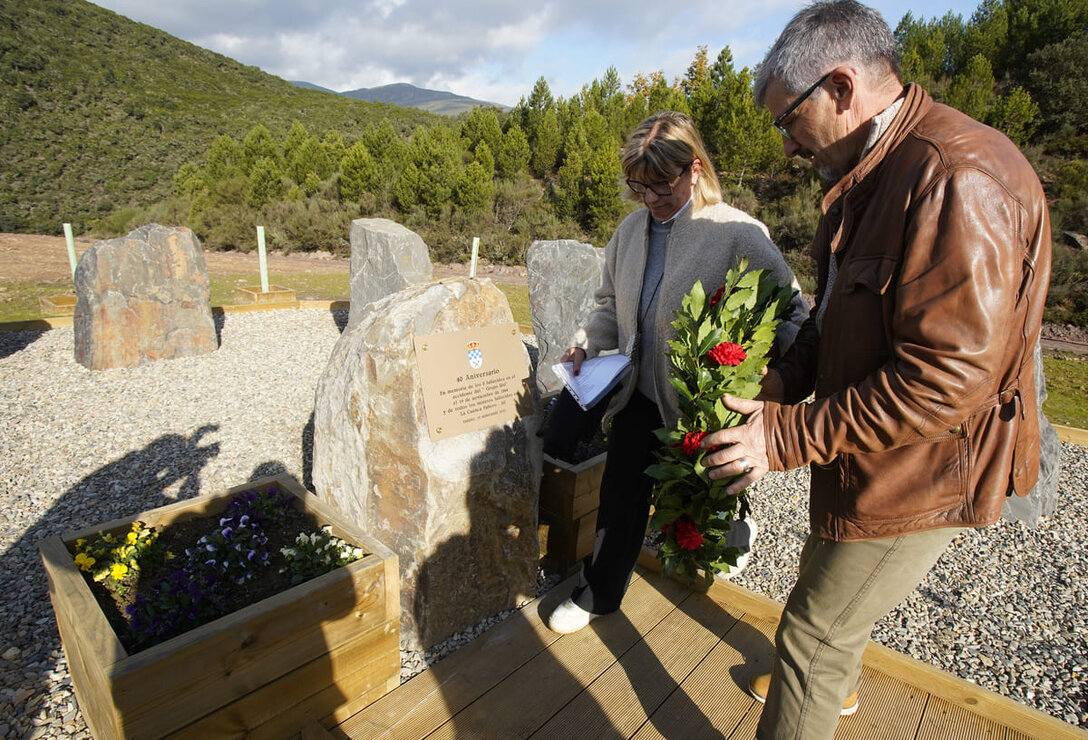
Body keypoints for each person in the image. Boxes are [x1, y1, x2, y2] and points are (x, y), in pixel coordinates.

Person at [697, 2, 1052, 738]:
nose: (788, 147)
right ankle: (844, 690)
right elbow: (831, 316)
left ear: (840, 87)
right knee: (828, 590)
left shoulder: (958, 177)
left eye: (788, 121)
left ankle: (828, 686)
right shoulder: (867, 172)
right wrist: (785, 383)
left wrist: (783, 438)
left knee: (812, 635)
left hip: (922, 465)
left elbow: (949, 382)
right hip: (871, 451)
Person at [545, 111, 809, 634]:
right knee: (621, 493)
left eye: (661, 184)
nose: (650, 198)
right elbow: (608, 305)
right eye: (638, 187)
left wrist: (761, 377)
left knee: (709, 490)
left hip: (702, 404)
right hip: (637, 393)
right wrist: (585, 348)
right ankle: (599, 594)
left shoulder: (737, 232)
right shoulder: (630, 231)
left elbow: (793, 312)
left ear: (695, 168)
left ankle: (734, 527)